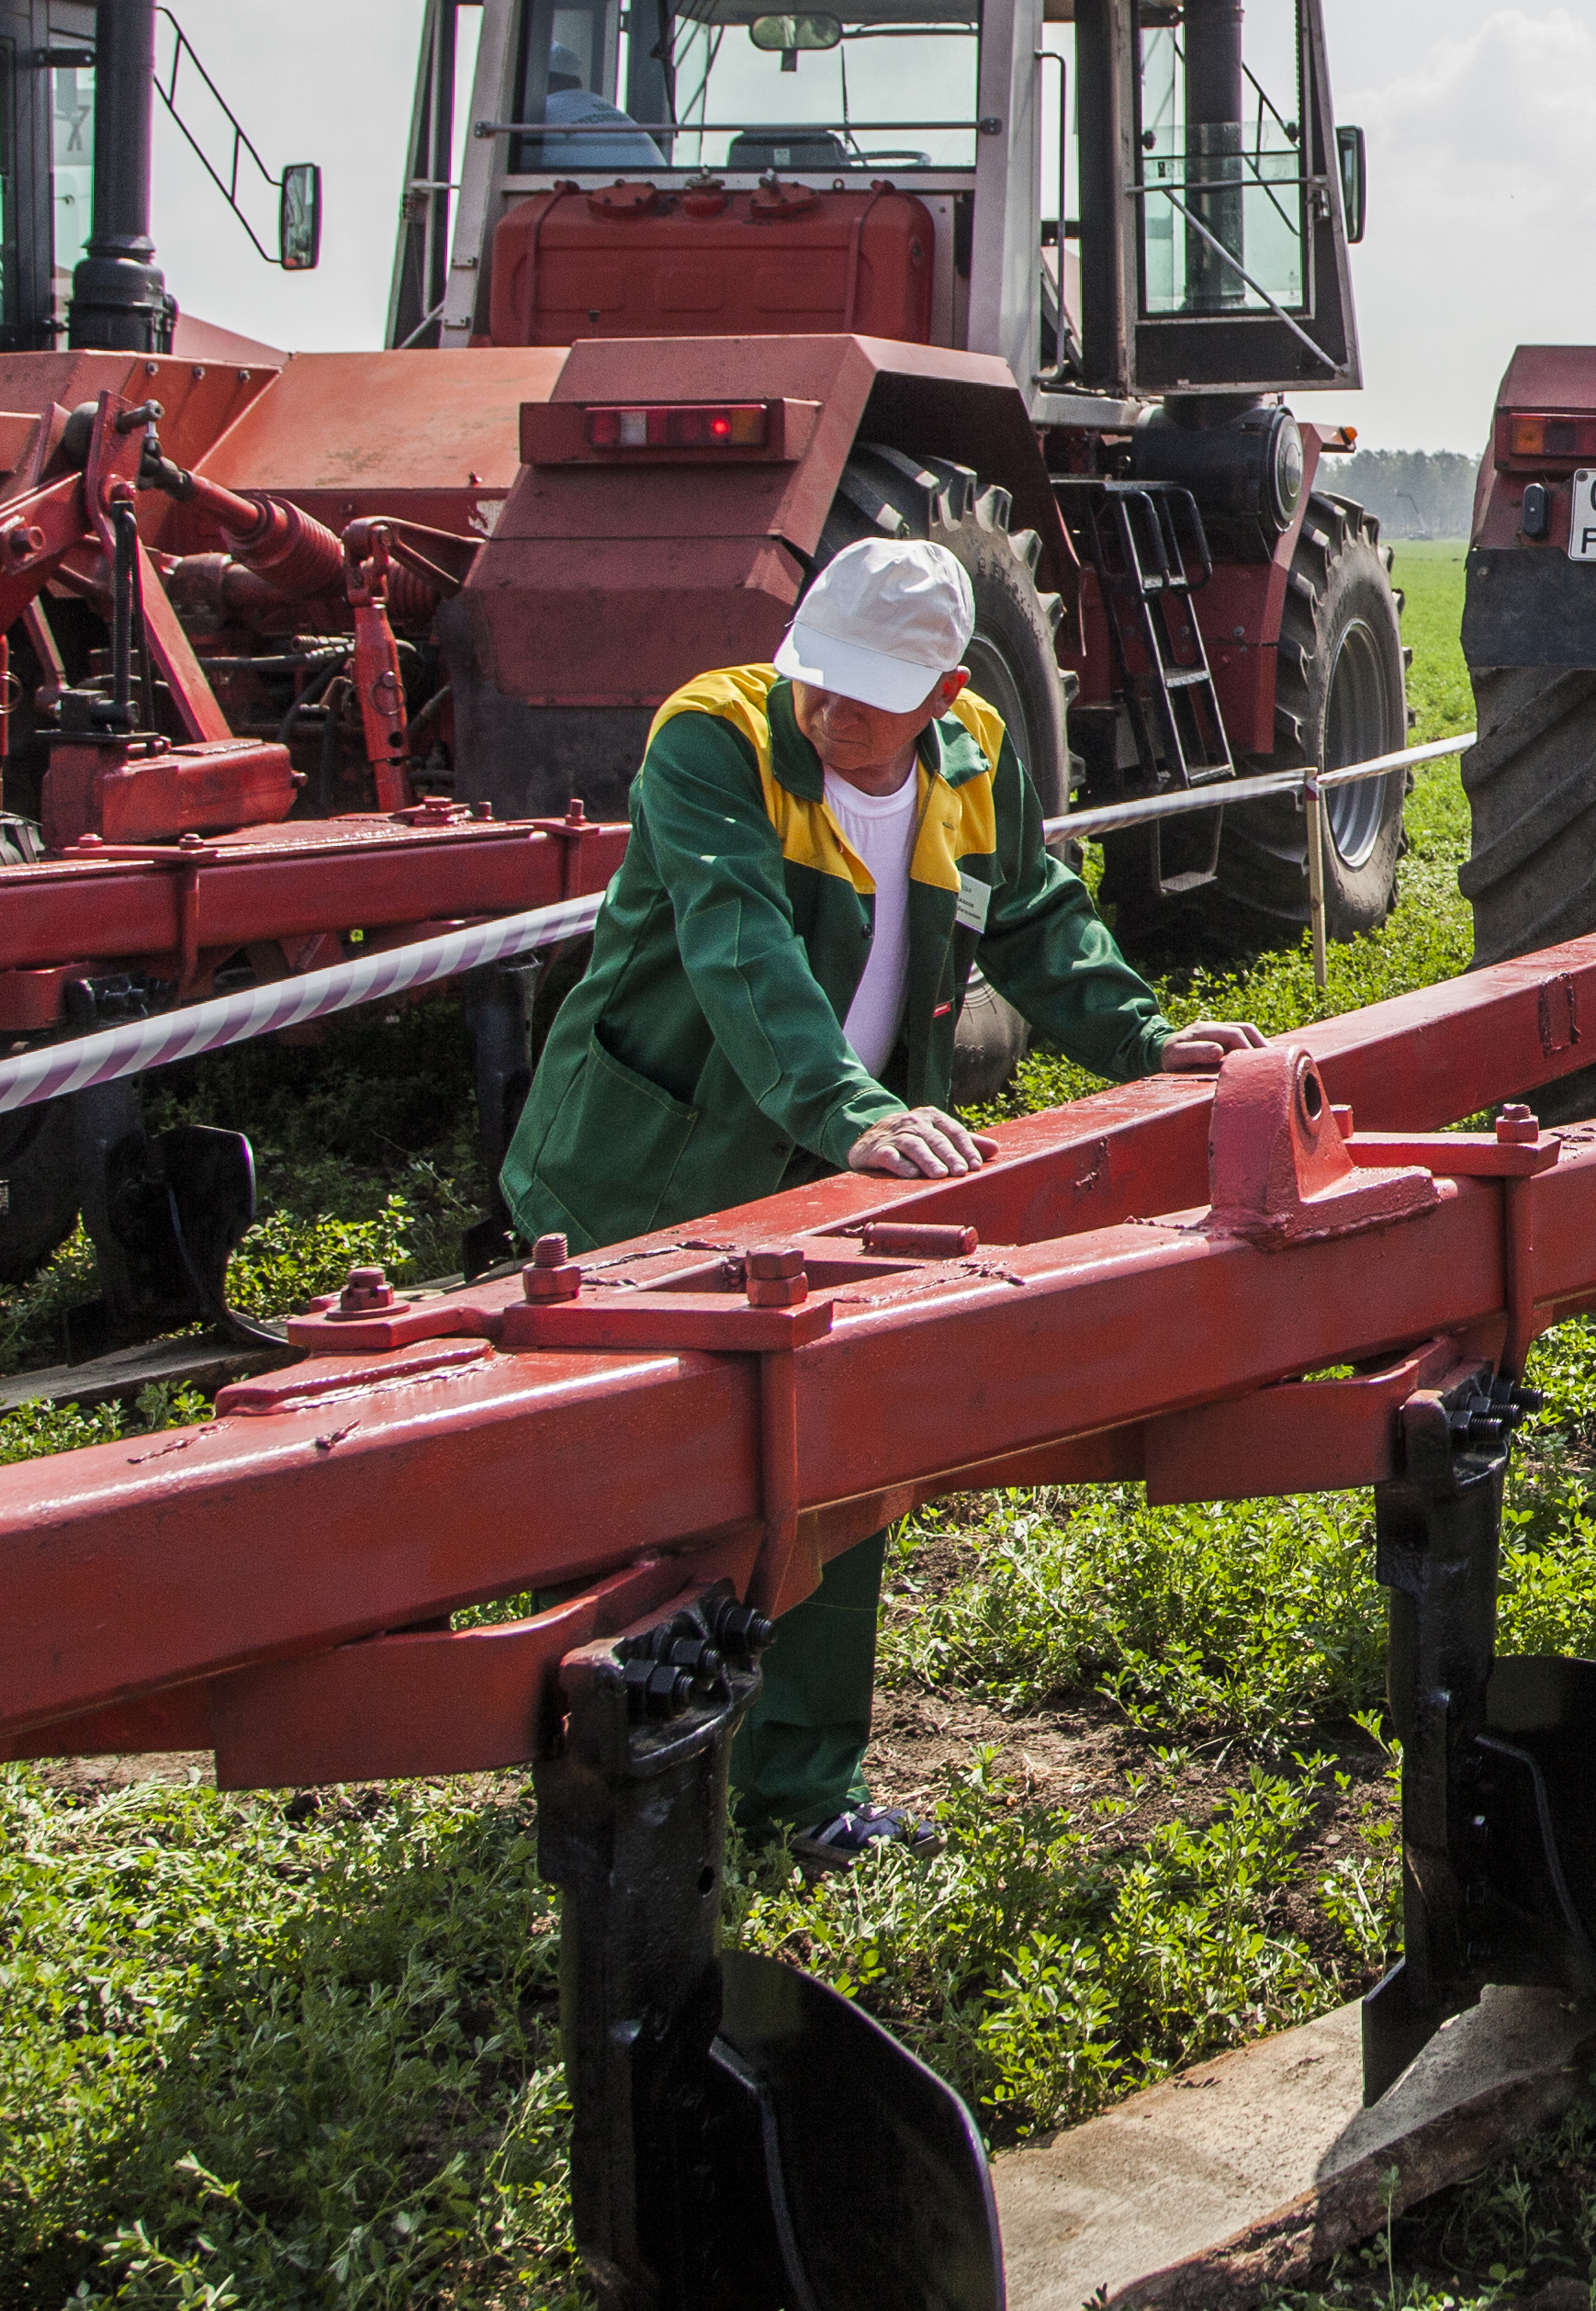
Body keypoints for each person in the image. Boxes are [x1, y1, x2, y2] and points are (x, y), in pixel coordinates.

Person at [494, 535, 1190, 1864]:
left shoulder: (976, 754)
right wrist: (858, 1115)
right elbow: (739, 945)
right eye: (816, 680)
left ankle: (799, 1798)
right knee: (617, 1484)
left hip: (830, 1187)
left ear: (939, 695)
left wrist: (1146, 1040)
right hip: (645, 1168)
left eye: (868, 695)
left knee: (829, 1473)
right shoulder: (714, 743)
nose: (828, 712)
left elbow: (1036, 913)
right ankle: (599, 1787)